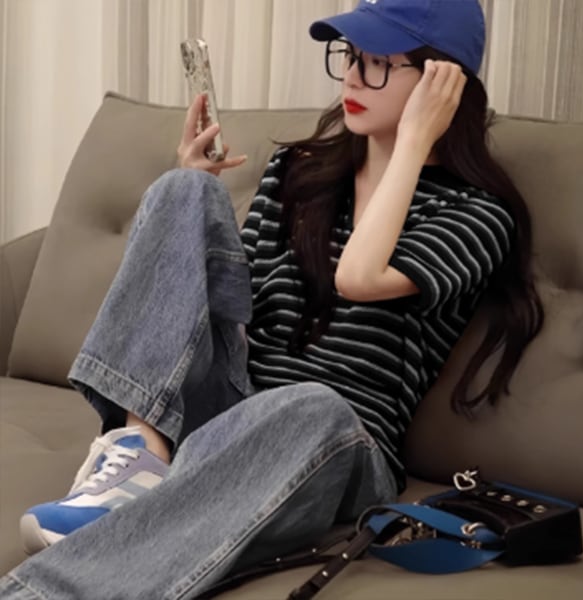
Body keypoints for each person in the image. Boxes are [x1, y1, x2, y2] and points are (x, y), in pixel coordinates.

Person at [0, 0, 543, 598]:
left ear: (443, 83)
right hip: (234, 407)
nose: (352, 78)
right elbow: (242, 309)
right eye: (350, 56)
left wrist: (414, 142)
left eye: (379, 64)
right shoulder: (297, 171)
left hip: (336, 440)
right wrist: (189, 207)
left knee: (311, 404)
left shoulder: (475, 214)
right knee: (184, 188)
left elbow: (359, 277)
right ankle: (139, 459)